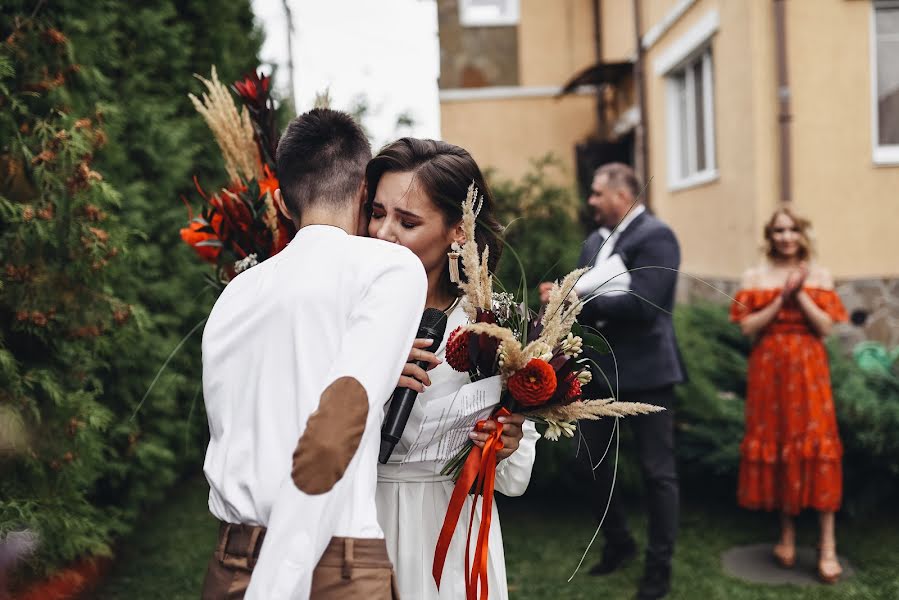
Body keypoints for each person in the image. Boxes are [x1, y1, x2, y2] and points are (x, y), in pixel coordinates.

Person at [200, 109, 427, 599]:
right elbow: (329, 438)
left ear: (281, 202)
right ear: (365, 192)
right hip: (326, 564)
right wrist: (276, 585)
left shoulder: (233, 296)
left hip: (229, 562)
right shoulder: (390, 270)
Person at [367, 138, 539, 600]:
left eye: (407, 221)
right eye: (376, 212)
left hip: (455, 530)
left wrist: (505, 446)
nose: (382, 232)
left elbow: (515, 479)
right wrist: (369, 381)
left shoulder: (491, 326)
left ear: (458, 231)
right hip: (364, 524)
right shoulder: (349, 314)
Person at [543, 162, 684, 600]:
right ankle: (618, 543)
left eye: (596, 193)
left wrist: (577, 296)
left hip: (647, 374)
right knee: (593, 464)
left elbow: (647, 304)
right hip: (599, 371)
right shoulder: (593, 243)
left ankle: (659, 569)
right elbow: (587, 296)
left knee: (657, 472)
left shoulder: (656, 236)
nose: (590, 201)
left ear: (622, 196)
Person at [730, 207, 847, 584]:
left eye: (791, 229)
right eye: (778, 230)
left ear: (801, 234)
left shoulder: (821, 275)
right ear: (770, 235)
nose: (785, 237)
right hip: (769, 371)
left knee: (816, 445)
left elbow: (826, 327)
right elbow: (748, 326)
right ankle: (787, 536)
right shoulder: (755, 276)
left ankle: (827, 545)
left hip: (810, 370)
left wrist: (802, 295)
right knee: (780, 444)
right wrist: (782, 298)